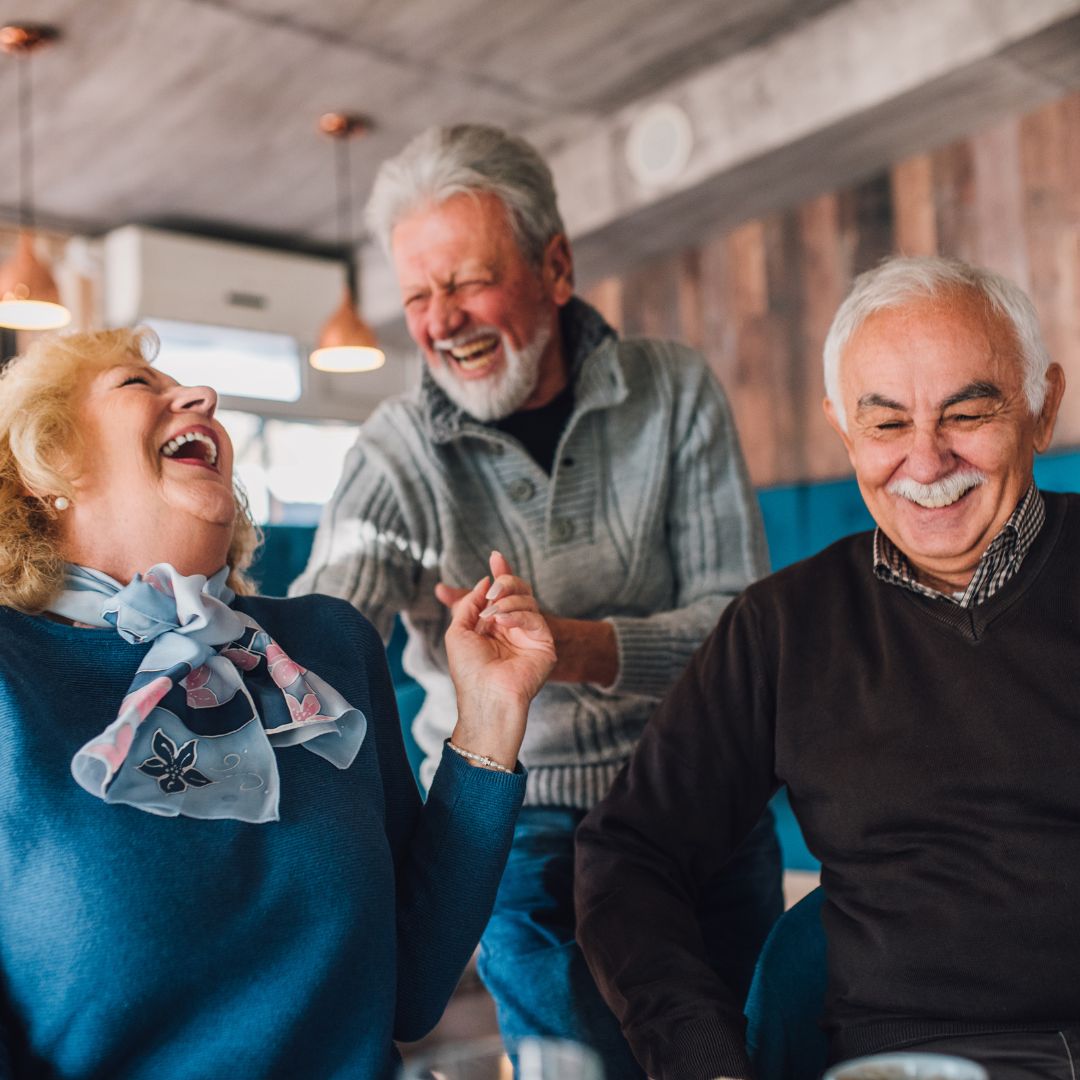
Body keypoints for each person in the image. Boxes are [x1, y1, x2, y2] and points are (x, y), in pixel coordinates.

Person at [292, 122, 783, 1073]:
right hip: (517, 830)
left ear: (555, 266)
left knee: (743, 1055)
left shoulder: (674, 391)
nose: (443, 321)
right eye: (419, 297)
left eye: (468, 281)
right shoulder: (396, 453)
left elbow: (742, 632)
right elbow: (320, 635)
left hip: (695, 798)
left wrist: (577, 646)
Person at [0, 327, 555, 1080]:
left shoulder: (324, 646)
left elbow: (412, 990)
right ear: (46, 465)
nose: (202, 397)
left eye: (188, 388)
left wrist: (490, 716)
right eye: (139, 386)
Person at [575, 254, 1080, 1080]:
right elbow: (628, 854)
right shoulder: (783, 627)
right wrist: (702, 1057)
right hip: (912, 1060)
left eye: (969, 411)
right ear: (844, 430)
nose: (926, 461)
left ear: (1041, 407)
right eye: (886, 424)